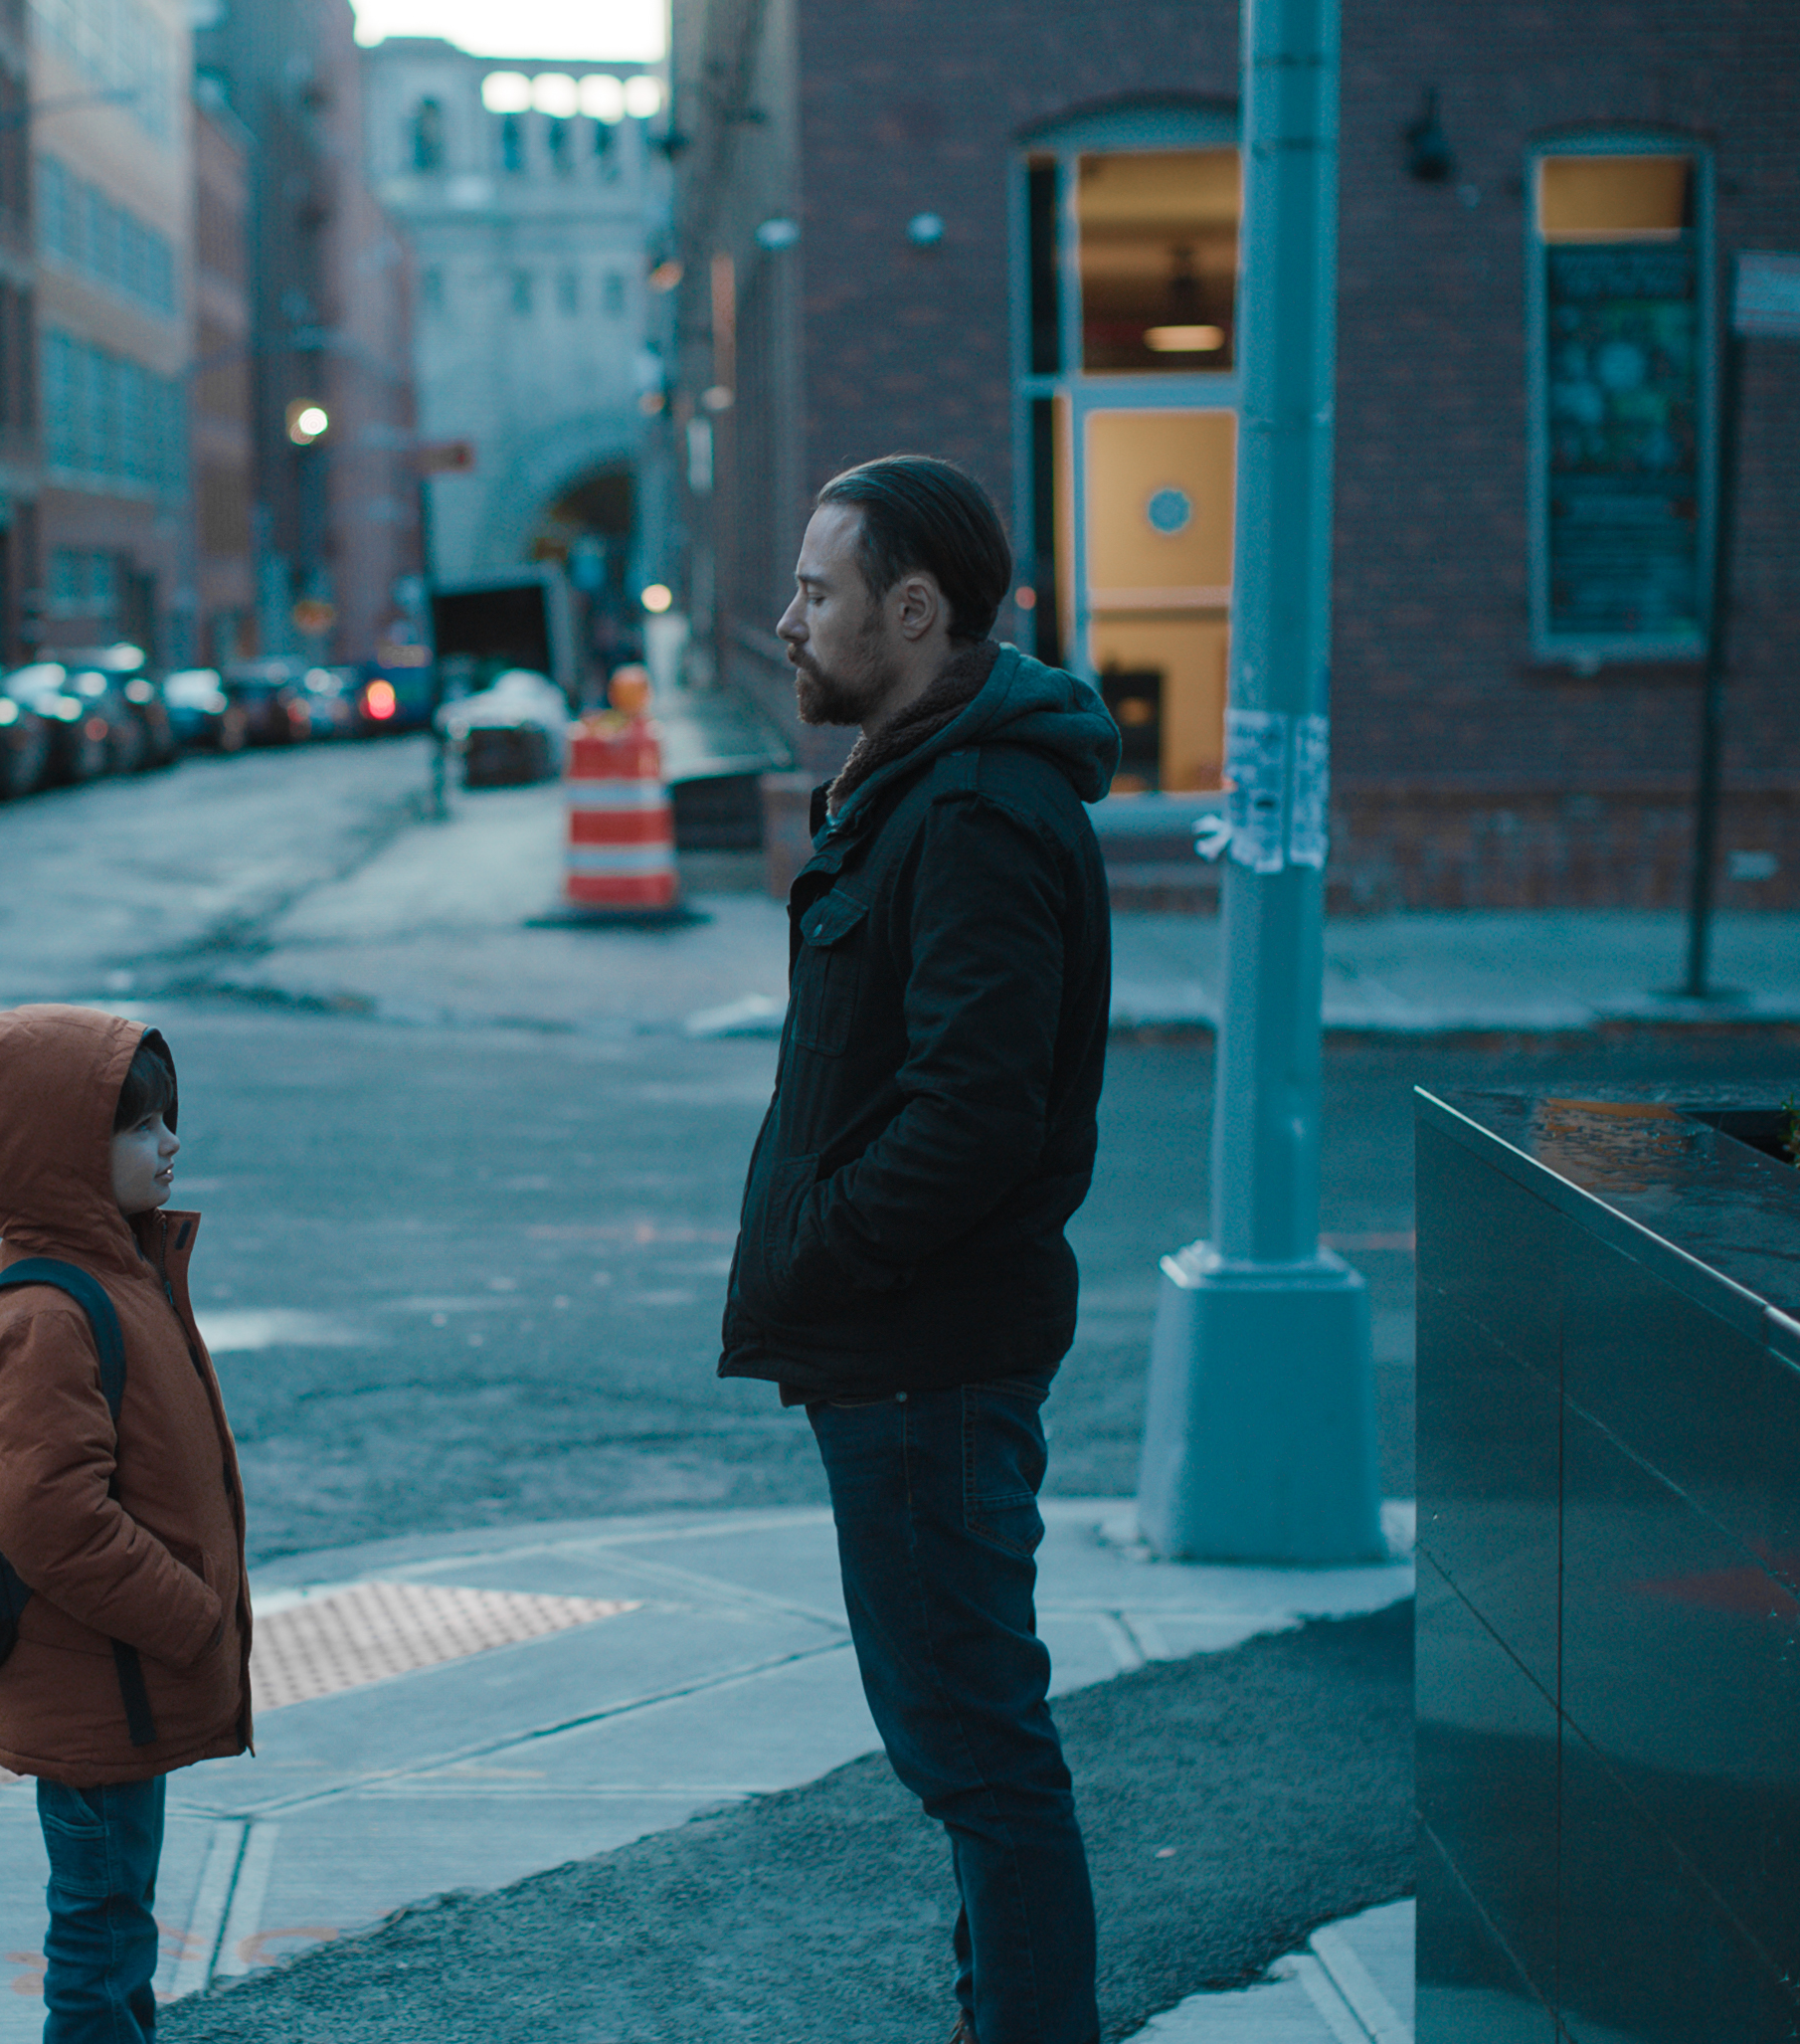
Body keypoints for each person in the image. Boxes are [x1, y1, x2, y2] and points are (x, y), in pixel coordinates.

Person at [721, 455, 1118, 2044]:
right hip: (905, 1357)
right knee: (967, 1746)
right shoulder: (921, 783)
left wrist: (818, 1247)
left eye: (816, 594)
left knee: (978, 1753)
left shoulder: (970, 811)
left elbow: (971, 1117)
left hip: (923, 1362)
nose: (786, 620)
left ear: (913, 609)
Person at [0, 1006, 252, 2044]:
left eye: (169, 1118)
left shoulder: (120, 1271)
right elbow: (52, 1519)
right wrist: (192, 1619)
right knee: (100, 1947)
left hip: (120, 1686)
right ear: (56, 1152)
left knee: (115, 1935)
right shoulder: (46, 1315)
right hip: (100, 1685)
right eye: (139, 1126)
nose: (169, 1144)